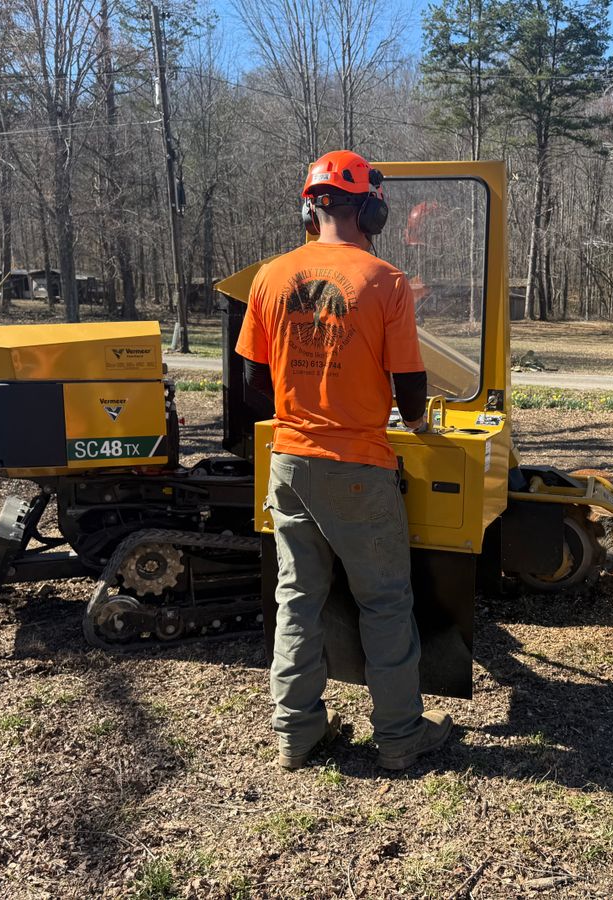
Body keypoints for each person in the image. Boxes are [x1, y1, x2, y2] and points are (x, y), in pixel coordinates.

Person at [235, 150, 453, 772]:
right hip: (358, 466)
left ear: (312, 206)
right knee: (384, 601)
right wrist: (414, 424)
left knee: (297, 598)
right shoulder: (385, 280)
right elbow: (410, 383)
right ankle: (400, 738)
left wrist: (304, 399)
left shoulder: (271, 277)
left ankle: (296, 735)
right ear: (369, 207)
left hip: (290, 461)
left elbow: (253, 382)